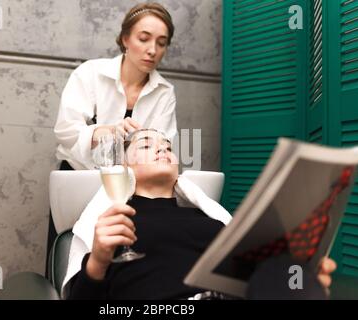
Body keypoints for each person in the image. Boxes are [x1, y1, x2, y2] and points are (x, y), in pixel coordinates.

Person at [66, 129, 337, 300]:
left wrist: (297, 279)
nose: (163, 149)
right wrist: (98, 261)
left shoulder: (211, 222)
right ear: (124, 166)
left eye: (168, 147)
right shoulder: (114, 226)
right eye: (147, 145)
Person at [47, 2, 178, 270]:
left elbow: (163, 142)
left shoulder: (164, 92)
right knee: (68, 257)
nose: (153, 50)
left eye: (161, 43)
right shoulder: (90, 74)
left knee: (117, 260)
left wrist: (149, 145)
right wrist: (104, 131)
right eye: (144, 38)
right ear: (124, 38)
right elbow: (65, 131)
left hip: (128, 186)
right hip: (78, 180)